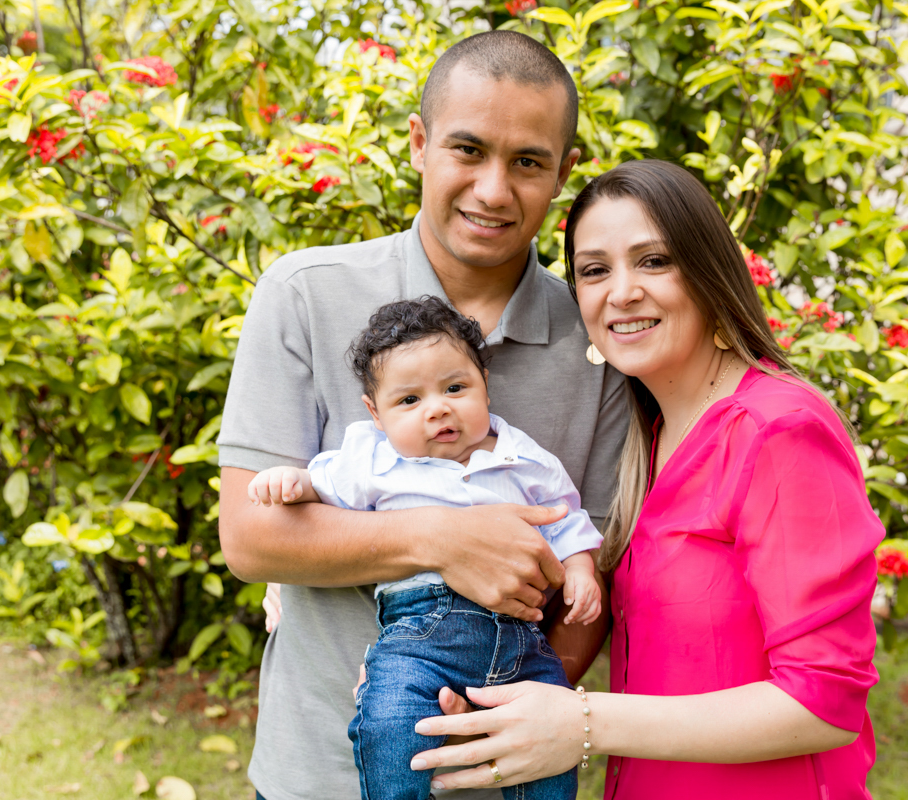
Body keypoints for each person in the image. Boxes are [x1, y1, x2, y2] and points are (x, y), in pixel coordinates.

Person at [217, 30, 627, 800]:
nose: (493, 190)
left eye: (528, 162)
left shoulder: (597, 340)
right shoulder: (303, 294)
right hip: (319, 774)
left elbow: (594, 569)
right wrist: (441, 538)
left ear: (564, 173)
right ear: (418, 142)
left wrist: (507, 714)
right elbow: (249, 535)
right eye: (468, 150)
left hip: (506, 770)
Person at [405, 160, 884, 800]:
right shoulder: (651, 438)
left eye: (653, 261)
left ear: (708, 272)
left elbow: (823, 703)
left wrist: (583, 722)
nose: (622, 292)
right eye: (594, 270)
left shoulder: (777, 430)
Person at [247, 297, 601, 800]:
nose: (437, 409)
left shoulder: (524, 457)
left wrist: (580, 569)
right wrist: (288, 481)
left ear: (484, 384)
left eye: (455, 388)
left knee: (549, 742)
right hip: (418, 635)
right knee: (389, 720)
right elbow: (321, 487)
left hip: (522, 641)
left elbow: (565, 520)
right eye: (409, 400)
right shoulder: (374, 461)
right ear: (376, 414)